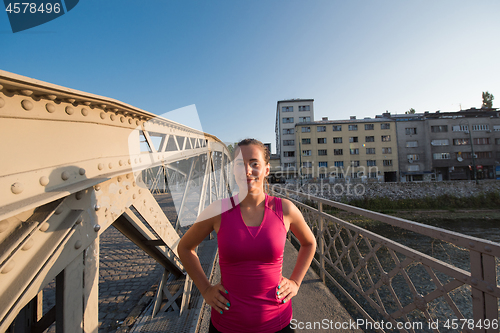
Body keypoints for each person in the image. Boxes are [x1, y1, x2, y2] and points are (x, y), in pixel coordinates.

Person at [178, 138, 316, 333]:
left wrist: (295, 282)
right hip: (227, 325)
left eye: (254, 164)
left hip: (278, 323)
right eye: (239, 165)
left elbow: (309, 243)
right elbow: (185, 248)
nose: (247, 171)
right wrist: (206, 289)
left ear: (267, 169)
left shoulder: (284, 209)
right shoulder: (218, 210)